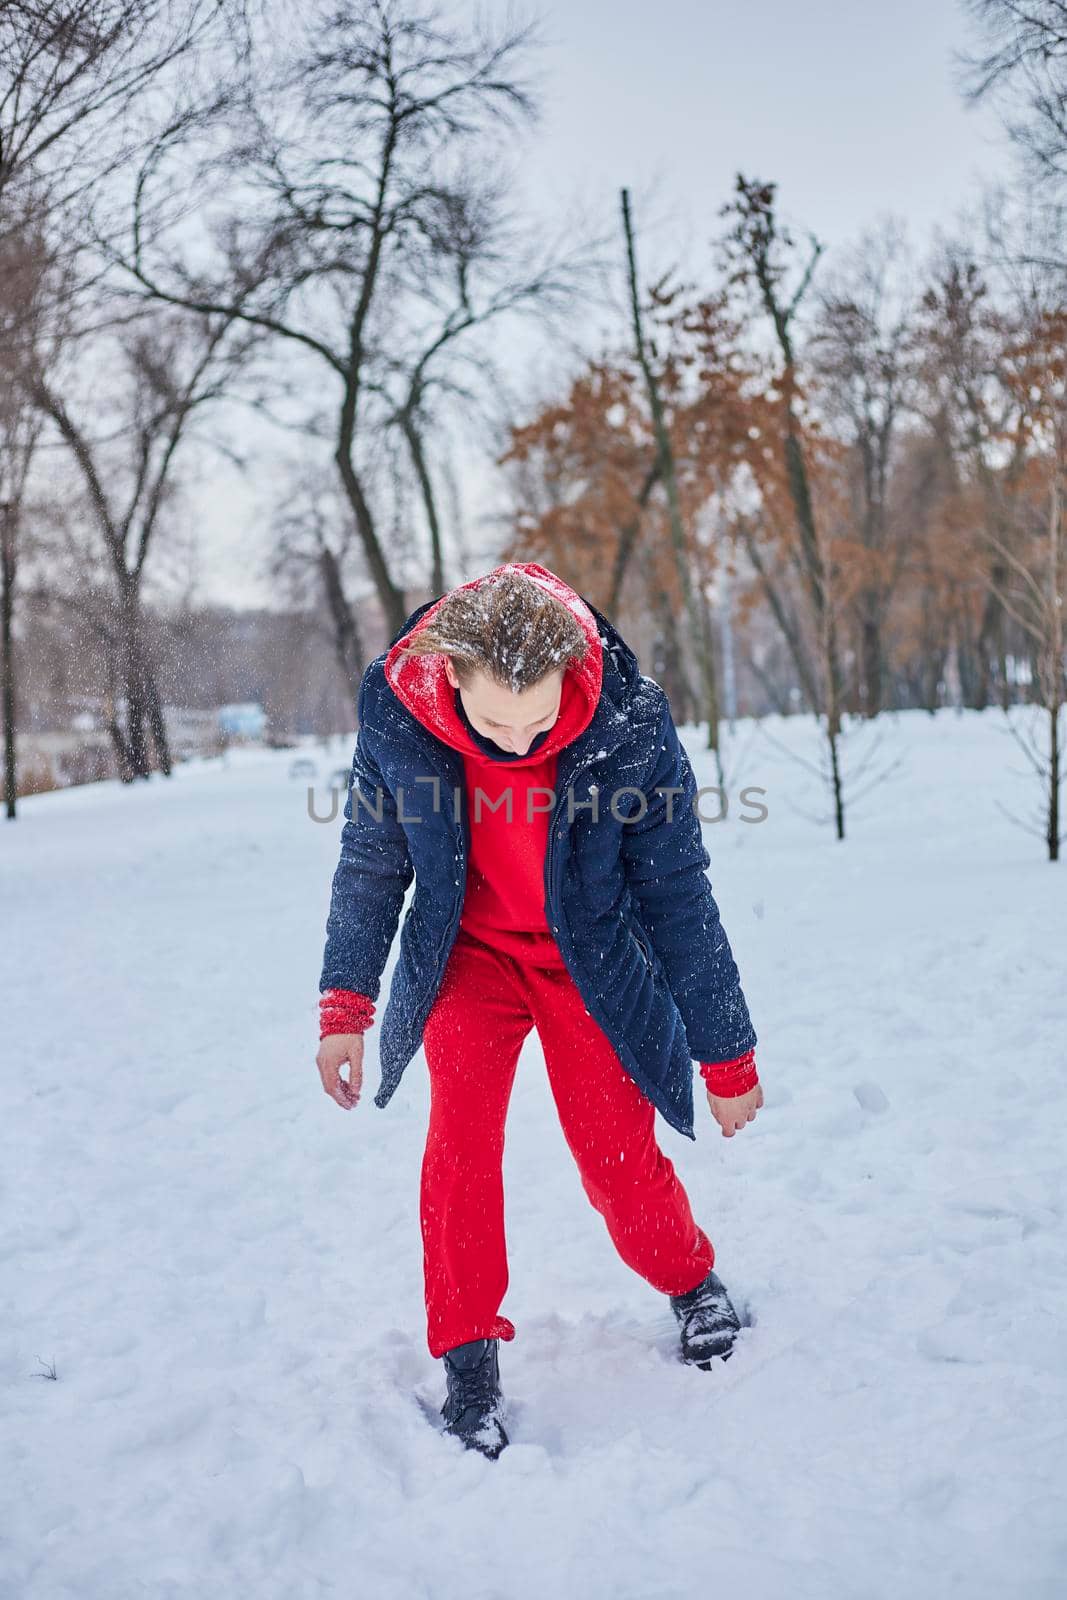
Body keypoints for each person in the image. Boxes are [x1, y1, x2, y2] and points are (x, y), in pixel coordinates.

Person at [316, 562, 762, 1460]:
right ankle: (467, 1356)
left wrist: (727, 1056)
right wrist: (344, 1005)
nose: (518, 745)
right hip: (467, 961)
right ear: (450, 680)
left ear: (573, 674)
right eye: (492, 725)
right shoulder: (401, 712)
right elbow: (371, 861)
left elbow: (676, 891)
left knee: (616, 1158)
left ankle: (689, 1278)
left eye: (538, 722)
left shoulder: (628, 723)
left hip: (588, 961)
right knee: (459, 1155)